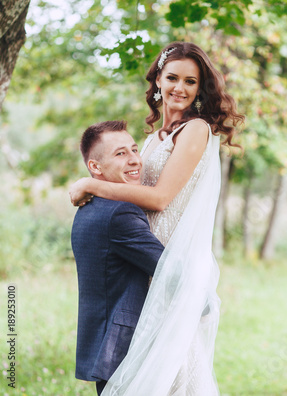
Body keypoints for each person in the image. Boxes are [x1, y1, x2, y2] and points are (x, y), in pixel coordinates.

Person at [70, 42, 244, 395]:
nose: (180, 88)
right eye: (173, 78)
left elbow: (161, 198)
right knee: (146, 372)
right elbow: (129, 186)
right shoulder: (151, 140)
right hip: (143, 264)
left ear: (200, 88)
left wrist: (91, 184)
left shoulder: (195, 130)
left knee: (176, 369)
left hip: (168, 261)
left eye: (191, 82)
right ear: (158, 82)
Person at [71, 120, 164, 396]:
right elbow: (168, 270)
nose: (135, 159)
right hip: (124, 347)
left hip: (104, 345)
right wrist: (203, 302)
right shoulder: (120, 213)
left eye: (134, 150)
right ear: (95, 168)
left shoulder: (87, 209)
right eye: (120, 153)